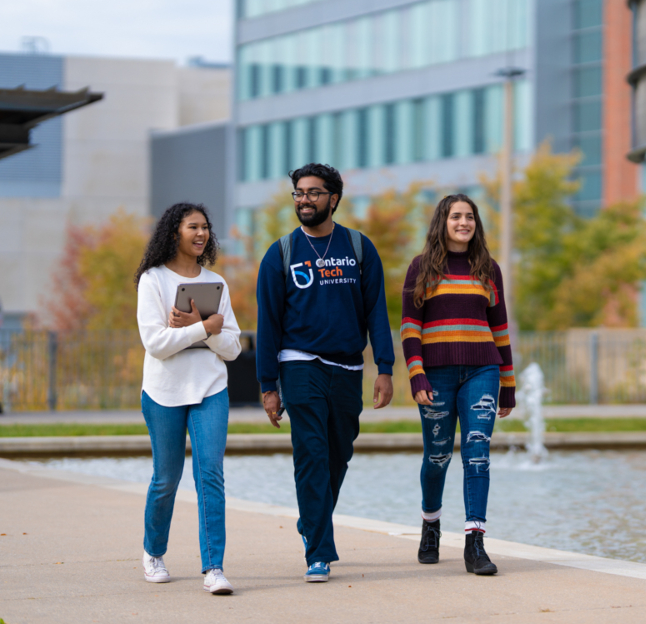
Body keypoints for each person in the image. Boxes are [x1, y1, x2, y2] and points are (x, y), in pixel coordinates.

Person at [256, 163, 395, 583]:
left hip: (348, 367)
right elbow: (268, 324)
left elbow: (376, 311)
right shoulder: (279, 253)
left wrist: (384, 368)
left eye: (314, 193)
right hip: (299, 364)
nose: (304, 200)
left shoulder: (358, 247)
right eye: (298, 192)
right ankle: (319, 551)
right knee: (311, 454)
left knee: (338, 454)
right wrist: (268, 385)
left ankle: (312, 520)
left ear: (333, 198)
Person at [401, 194, 516, 576]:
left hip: (483, 370)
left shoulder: (488, 269)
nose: (463, 223)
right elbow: (409, 327)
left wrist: (509, 384)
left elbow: (499, 328)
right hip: (436, 375)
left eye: (469, 217)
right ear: (443, 222)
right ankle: (430, 526)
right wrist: (416, 373)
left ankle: (475, 543)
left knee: (477, 452)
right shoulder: (421, 268)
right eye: (456, 217)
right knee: (437, 457)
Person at [134, 202, 242, 595]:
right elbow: (156, 344)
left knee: (209, 474)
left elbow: (232, 347)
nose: (202, 234)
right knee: (167, 478)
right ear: (173, 232)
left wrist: (202, 328)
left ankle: (213, 567)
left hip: (210, 388)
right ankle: (154, 552)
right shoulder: (153, 281)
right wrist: (204, 328)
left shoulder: (217, 283)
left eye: (206, 228)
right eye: (193, 227)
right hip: (163, 391)